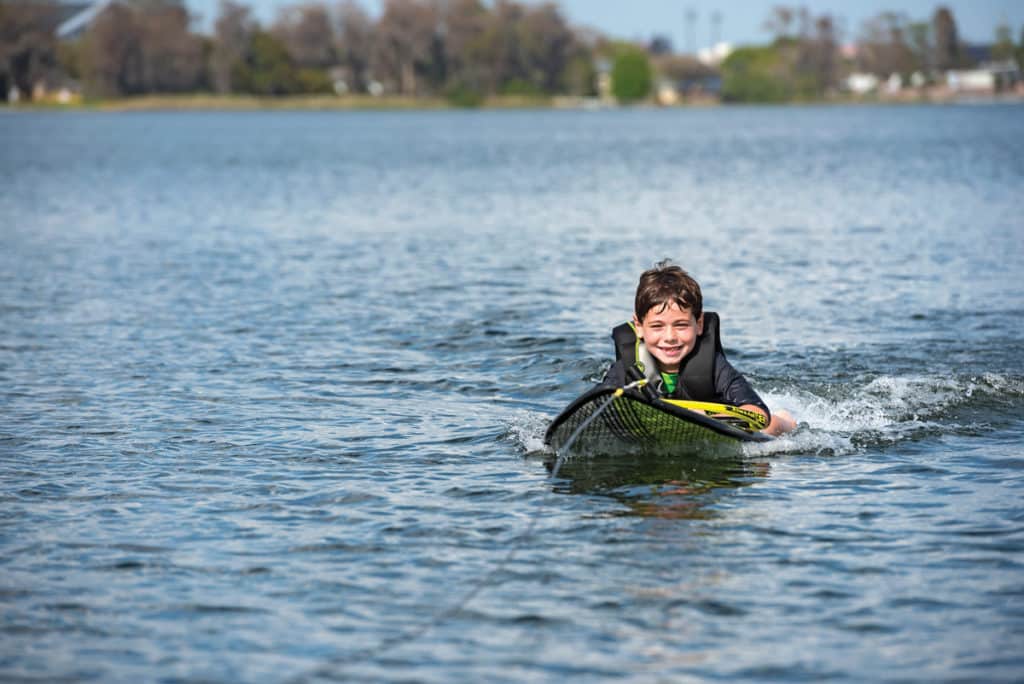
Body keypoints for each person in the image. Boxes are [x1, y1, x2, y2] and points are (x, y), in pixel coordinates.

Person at [603, 260, 796, 437]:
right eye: (657, 326)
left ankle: (786, 420)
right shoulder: (625, 369)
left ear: (699, 324)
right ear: (638, 326)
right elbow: (600, 407)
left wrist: (703, 417)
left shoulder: (714, 367)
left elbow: (758, 413)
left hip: (716, 420)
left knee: (770, 426)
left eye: (681, 325)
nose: (670, 337)